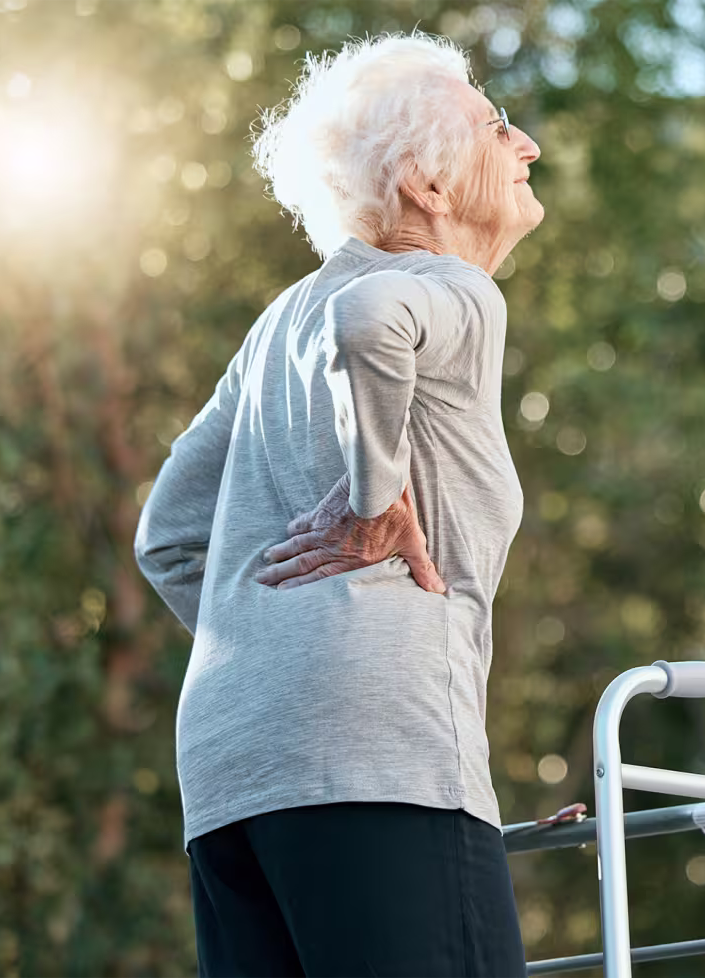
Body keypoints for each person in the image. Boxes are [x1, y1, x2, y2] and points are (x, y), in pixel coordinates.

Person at [134, 31, 543, 977]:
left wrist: (282, 641)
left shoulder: (279, 320)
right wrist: (373, 499)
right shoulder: (454, 287)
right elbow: (374, 322)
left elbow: (166, 539)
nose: (525, 146)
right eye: (497, 127)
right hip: (378, 757)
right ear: (427, 188)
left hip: (233, 772)